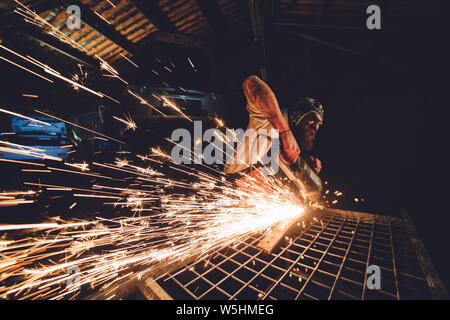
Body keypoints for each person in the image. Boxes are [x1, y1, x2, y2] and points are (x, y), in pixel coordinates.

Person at [224, 75, 324, 178]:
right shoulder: (266, 120)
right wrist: (285, 132)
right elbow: (251, 82)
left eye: (319, 124)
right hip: (232, 185)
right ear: (296, 116)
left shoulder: (289, 153)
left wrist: (305, 171)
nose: (316, 127)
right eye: (312, 120)